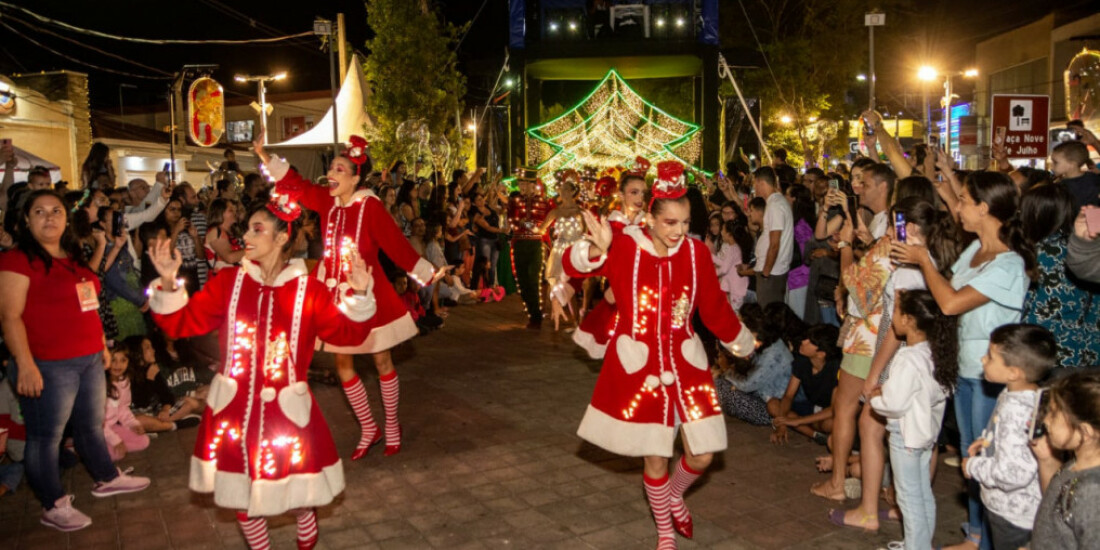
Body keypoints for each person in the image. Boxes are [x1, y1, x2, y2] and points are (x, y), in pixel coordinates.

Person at [146, 200, 377, 550]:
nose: (247, 236)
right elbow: (182, 323)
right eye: (247, 228)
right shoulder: (228, 282)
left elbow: (347, 335)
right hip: (235, 413)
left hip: (288, 415)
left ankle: (307, 530)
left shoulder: (309, 290)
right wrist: (166, 281)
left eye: (258, 228)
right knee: (242, 497)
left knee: (300, 494)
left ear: (283, 237)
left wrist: (359, 293)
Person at [564, 161, 753, 549]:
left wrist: (743, 342)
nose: (679, 231)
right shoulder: (625, 245)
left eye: (685, 222)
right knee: (655, 459)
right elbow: (572, 266)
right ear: (650, 217)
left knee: (703, 454)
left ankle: (672, 495)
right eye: (670, 222)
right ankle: (664, 532)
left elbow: (714, 306)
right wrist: (596, 248)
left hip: (687, 362)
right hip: (641, 366)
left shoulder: (697, 251)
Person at [259, 134, 436, 459]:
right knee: (343, 363)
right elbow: (296, 185)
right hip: (333, 293)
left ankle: (392, 424)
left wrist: (426, 271)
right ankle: (369, 427)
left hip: (369, 291)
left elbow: (396, 244)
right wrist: (264, 154)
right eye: (332, 169)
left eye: (339, 170)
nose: (331, 175)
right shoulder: (327, 200)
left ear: (355, 177)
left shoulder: (370, 207)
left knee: (382, 360)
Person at [892, 171, 1033, 550]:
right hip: (970, 368)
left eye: (963, 201)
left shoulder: (1008, 264)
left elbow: (950, 302)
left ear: (984, 208)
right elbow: (947, 289)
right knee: (974, 457)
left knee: (989, 459)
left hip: (995, 375)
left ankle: (987, 541)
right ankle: (975, 534)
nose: (956, 207)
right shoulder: (975, 250)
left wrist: (923, 260)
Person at [0, 190, 150, 532]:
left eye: (56, 211)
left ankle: (106, 477)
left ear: (67, 218)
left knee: (90, 425)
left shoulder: (72, 257)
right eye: (39, 211)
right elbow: (10, 317)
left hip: (88, 358)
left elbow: (89, 304)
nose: (49, 217)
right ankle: (53, 504)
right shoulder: (16, 260)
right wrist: (24, 363)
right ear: (26, 219)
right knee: (46, 437)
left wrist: (100, 344)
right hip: (48, 364)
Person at [867, 290, 957, 550]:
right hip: (926, 436)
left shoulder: (908, 358)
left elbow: (894, 404)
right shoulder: (935, 354)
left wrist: (876, 398)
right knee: (923, 494)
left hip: (905, 435)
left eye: (895, 312)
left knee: (907, 498)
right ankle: (920, 543)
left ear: (907, 320)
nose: (892, 317)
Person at [964, 324, 1056, 550]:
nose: (983, 360)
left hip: (1013, 513)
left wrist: (973, 467)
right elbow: (1009, 439)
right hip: (1011, 507)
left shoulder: (1016, 411)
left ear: (1014, 372)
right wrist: (987, 440)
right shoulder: (1022, 392)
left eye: (990, 357)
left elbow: (1012, 474)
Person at [1020, 184, 1100, 368]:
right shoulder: (1085, 246)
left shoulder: (1038, 252)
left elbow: (1030, 308)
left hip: (1049, 352)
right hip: (1091, 349)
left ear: (1035, 214)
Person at [572, 168, 648, 359]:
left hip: (648, 300)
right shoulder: (611, 227)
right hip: (619, 298)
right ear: (621, 195)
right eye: (634, 192)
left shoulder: (650, 226)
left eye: (643, 192)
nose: (640, 197)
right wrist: (567, 287)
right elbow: (594, 260)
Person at [1029, 371, 1100, 550]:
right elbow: (1058, 505)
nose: (1045, 420)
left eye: (1052, 414)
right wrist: (1046, 460)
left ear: (1085, 432)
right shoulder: (1076, 463)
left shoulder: (1092, 492)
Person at [713, 303, 792, 427]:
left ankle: (775, 421)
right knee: (719, 384)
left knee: (728, 392)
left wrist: (727, 371)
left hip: (772, 404)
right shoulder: (766, 344)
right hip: (760, 392)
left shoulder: (773, 353)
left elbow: (747, 384)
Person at [772, 324, 841, 445]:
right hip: (811, 407)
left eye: (810, 342)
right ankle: (814, 435)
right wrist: (783, 423)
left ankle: (805, 427)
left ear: (821, 353)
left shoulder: (836, 369)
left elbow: (834, 409)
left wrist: (798, 421)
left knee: (830, 423)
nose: (803, 341)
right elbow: (788, 395)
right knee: (773, 404)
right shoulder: (802, 360)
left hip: (826, 412)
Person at [507, 171, 551, 329]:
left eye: (525, 184)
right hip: (519, 243)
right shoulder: (515, 201)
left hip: (535, 244)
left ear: (533, 185)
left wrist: (539, 227)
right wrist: (521, 224)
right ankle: (533, 311)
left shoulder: (543, 202)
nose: (522, 187)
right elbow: (511, 219)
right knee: (522, 280)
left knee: (533, 278)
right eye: (520, 184)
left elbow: (548, 219)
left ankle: (535, 315)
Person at [543, 175, 587, 329]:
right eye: (561, 191)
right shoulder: (556, 211)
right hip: (559, 251)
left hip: (573, 251)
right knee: (555, 283)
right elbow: (542, 227)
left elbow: (586, 231)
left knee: (571, 286)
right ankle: (557, 313)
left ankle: (576, 321)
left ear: (571, 193)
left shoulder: (580, 212)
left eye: (566, 191)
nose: (563, 193)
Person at [748, 167, 793, 306]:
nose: (754, 188)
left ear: (761, 183)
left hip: (772, 273)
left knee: (768, 315)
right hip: (772, 271)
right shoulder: (775, 202)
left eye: (755, 183)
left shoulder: (775, 205)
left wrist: (766, 272)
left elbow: (774, 243)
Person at [103, 346, 149, 462]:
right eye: (113, 360)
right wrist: (115, 440)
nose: (118, 365)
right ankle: (84, 449)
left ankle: (107, 450)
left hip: (112, 427)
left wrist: (133, 424)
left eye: (123, 360)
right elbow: (97, 423)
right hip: (98, 429)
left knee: (143, 441)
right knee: (117, 454)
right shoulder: (100, 384)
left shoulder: (124, 381)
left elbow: (122, 407)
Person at [1051, 140, 1100, 210]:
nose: (1051, 166)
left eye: (1055, 162)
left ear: (1072, 164)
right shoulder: (1094, 179)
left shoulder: (1061, 188)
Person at [205, 198, 245, 274]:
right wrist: (253, 251)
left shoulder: (234, 231)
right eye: (231, 210)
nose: (235, 212)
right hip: (223, 281)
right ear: (220, 213)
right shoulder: (216, 232)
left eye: (234, 210)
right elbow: (229, 257)